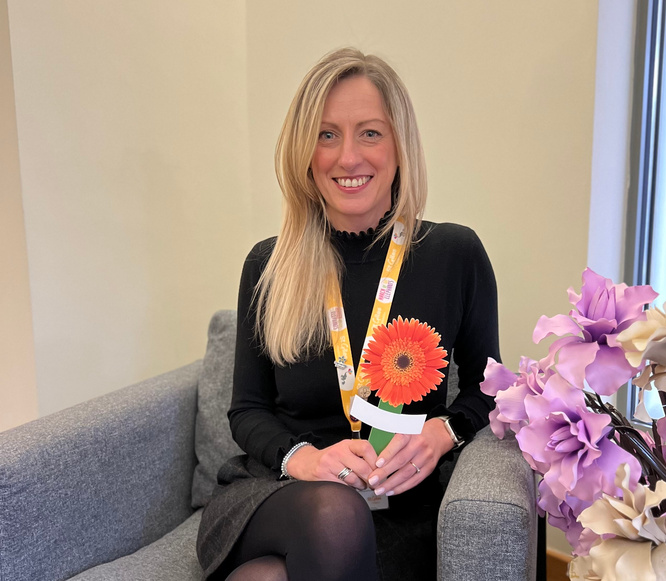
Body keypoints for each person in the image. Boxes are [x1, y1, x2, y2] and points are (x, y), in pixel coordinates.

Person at [196, 47, 500, 581]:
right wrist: (305, 461)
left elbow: (491, 387)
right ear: (304, 152)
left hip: (397, 507)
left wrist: (443, 433)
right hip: (279, 491)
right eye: (326, 134)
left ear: (400, 146)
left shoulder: (454, 255)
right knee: (332, 514)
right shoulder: (269, 264)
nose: (347, 158)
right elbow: (246, 410)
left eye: (370, 133)